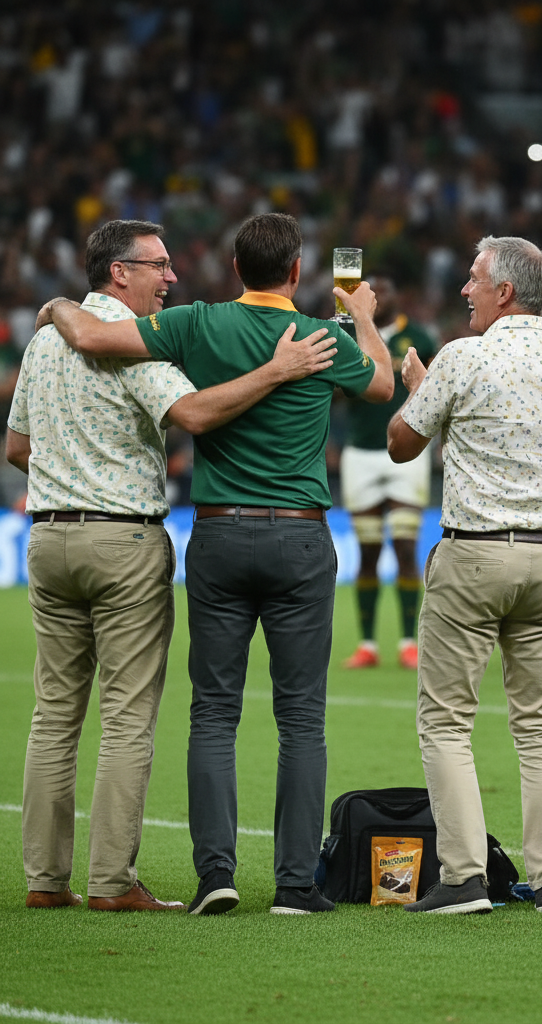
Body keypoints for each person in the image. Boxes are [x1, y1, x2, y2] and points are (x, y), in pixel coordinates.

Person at [44, 212, 393, 916]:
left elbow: (87, 334)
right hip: (299, 538)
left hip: (219, 535)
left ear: (235, 268)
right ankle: (296, 885)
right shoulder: (324, 337)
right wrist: (363, 319)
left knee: (213, 713)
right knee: (301, 719)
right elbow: (383, 387)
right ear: (297, 273)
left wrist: (56, 303)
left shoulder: (198, 323)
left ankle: (216, 877)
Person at [387, 236, 542, 914]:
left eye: (474, 279)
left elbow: (402, 443)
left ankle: (464, 877)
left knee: (447, 721)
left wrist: (423, 391)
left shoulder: (461, 357)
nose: (464, 290)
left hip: (476, 551)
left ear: (504, 291)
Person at [341, 275, 436, 670]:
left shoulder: (418, 337)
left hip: (407, 452)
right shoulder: (349, 334)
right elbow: (334, 390)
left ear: (399, 295)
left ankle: (407, 642)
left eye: (388, 289)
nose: (381, 296)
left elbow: (432, 390)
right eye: (373, 290)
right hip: (360, 453)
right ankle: (367, 644)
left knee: (404, 548)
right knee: (366, 552)